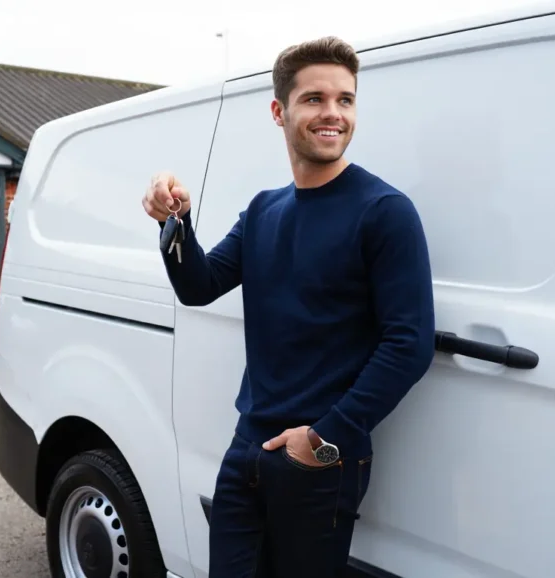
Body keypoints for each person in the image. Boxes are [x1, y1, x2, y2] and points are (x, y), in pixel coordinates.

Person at [142, 35, 436, 577]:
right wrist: (173, 222)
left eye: (345, 100)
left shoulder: (385, 212)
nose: (333, 114)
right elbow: (199, 285)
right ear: (279, 111)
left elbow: (410, 344)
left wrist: (323, 437)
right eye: (315, 99)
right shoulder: (264, 211)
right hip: (246, 446)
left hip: (319, 458)